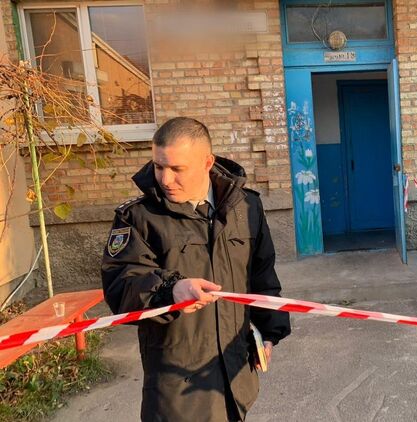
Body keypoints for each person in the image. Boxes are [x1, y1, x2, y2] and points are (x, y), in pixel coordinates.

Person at [101, 117, 291, 422]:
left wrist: (269, 331)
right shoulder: (137, 217)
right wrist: (171, 290)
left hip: (235, 375)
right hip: (176, 383)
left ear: (207, 162)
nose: (165, 179)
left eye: (177, 169)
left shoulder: (245, 207)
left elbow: (262, 274)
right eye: (158, 166)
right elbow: (121, 284)